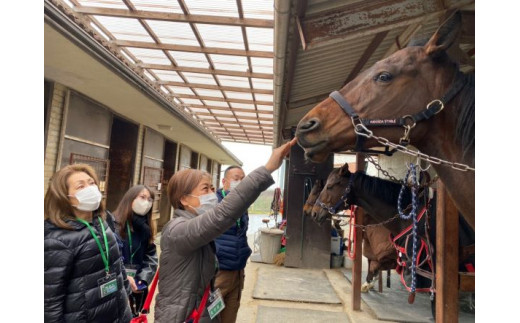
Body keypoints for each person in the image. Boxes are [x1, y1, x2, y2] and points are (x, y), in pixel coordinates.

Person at [154, 138, 296, 323]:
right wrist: (267, 168)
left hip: (201, 310)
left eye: (212, 188)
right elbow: (221, 215)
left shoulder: (194, 226)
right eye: (205, 189)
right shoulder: (178, 230)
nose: (212, 194)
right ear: (184, 199)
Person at [44, 163, 132, 322]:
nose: (90, 189)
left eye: (92, 183)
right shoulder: (57, 239)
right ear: (65, 197)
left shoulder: (102, 223)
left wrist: (125, 292)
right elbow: (50, 302)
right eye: (80, 186)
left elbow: (117, 264)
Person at [110, 184, 159, 317]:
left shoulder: (146, 228)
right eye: (142, 197)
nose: (146, 203)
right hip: (117, 285)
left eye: (150, 200)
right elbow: (109, 258)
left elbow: (151, 257)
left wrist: (142, 280)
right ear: (130, 199)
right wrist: (125, 278)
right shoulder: (112, 224)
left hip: (137, 288)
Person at [214, 165, 249, 323]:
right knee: (212, 315)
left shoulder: (242, 204)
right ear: (224, 181)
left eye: (242, 179)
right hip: (219, 272)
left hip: (238, 271)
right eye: (236, 179)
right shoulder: (214, 203)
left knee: (230, 314)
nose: (240, 182)